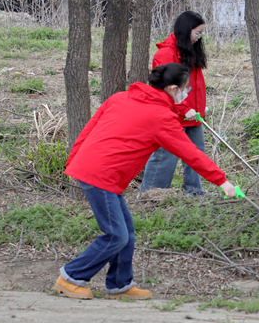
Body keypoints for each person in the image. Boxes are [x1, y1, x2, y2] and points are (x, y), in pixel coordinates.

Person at [53, 63, 236, 300]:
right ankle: (70, 277)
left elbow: (88, 129)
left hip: (97, 170)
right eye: (186, 89)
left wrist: (74, 160)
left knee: (126, 232)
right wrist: (221, 181)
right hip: (101, 175)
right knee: (116, 235)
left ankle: (119, 285)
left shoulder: (121, 98)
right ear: (173, 89)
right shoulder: (161, 118)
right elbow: (190, 153)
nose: (187, 93)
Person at [140, 10, 210, 195]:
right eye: (197, 33)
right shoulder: (166, 54)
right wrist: (183, 109)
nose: (199, 38)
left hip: (193, 114)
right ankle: (151, 195)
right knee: (166, 155)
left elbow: (194, 85)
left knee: (196, 153)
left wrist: (199, 108)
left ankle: (194, 192)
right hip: (173, 114)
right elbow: (167, 88)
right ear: (186, 30)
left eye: (201, 33)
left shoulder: (190, 50)